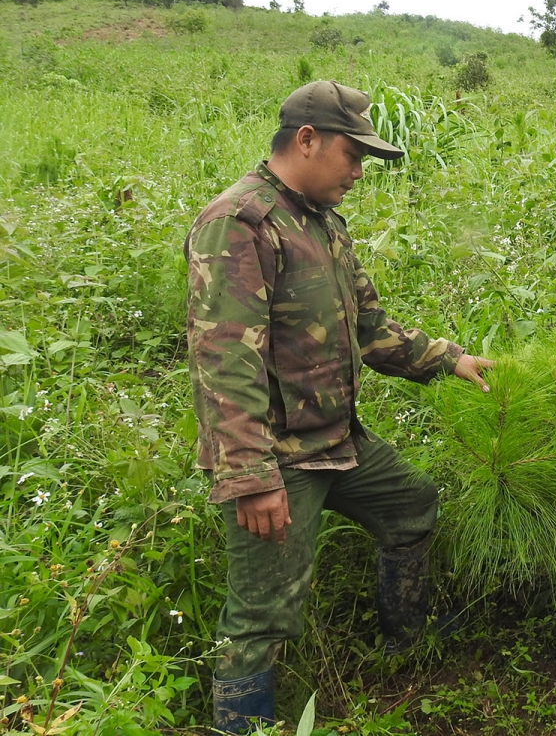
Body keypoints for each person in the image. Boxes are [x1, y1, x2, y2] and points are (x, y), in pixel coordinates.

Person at [185, 80, 492, 733]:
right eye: (352, 155)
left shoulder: (322, 223)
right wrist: (250, 475)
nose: (358, 171)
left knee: (412, 506)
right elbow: (224, 360)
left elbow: (372, 329)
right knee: (258, 622)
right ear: (306, 140)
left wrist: (447, 357)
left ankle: (405, 647)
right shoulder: (242, 223)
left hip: (337, 440)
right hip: (279, 459)